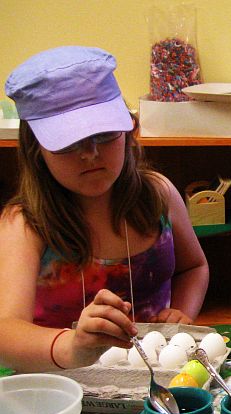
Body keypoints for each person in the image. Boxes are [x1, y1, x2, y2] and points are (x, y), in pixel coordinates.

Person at [0, 46, 209, 373]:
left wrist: (181, 313)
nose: (90, 153)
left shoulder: (158, 195)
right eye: (68, 142)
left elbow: (193, 267)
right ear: (36, 149)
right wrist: (72, 346)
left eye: (105, 134)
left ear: (128, 131)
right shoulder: (26, 224)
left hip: (153, 378)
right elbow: (5, 332)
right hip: (62, 389)